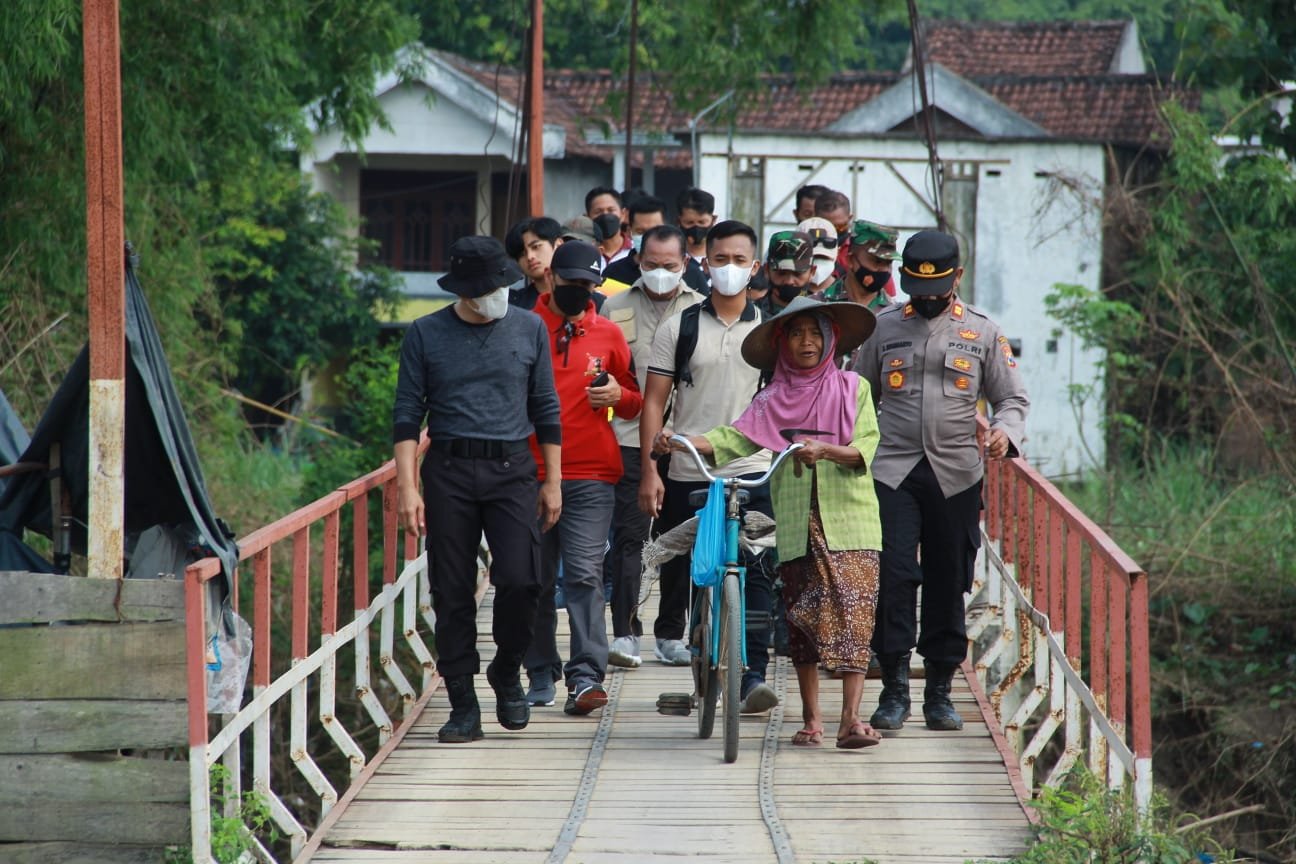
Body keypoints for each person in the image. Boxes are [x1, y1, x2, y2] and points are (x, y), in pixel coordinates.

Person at [663, 296, 884, 748]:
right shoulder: (771, 398)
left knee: (854, 613)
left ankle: (850, 719)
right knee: (801, 618)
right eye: (797, 334)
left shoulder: (853, 387)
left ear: (831, 340)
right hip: (796, 520)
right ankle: (811, 720)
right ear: (783, 344)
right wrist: (683, 441)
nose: (806, 342)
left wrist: (824, 450)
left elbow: (866, 445)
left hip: (854, 519)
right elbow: (733, 437)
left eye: (815, 334)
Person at [852, 230, 1030, 731]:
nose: (925, 297)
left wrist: (1004, 433)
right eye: (915, 286)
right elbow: (857, 397)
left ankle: (939, 692)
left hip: (955, 472)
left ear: (957, 277)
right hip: (892, 469)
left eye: (935, 287)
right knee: (892, 577)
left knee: (949, 578)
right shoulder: (881, 328)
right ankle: (892, 689)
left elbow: (1012, 399)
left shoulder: (982, 332)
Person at [393, 235, 562, 744]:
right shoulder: (425, 334)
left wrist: (552, 480)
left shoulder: (529, 328)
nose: (499, 295)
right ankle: (462, 701)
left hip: (513, 469)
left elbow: (546, 410)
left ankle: (507, 669)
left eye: (503, 285)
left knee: (521, 579)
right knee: (451, 588)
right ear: (465, 291)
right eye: (488, 289)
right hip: (449, 470)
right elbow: (406, 416)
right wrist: (407, 487)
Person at [639, 219, 779, 714]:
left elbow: (784, 400)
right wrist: (650, 467)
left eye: (740, 260)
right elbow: (654, 402)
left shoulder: (771, 331)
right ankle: (698, 648)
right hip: (688, 468)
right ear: (704, 263)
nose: (730, 269)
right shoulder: (680, 326)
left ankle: (752, 676)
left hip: (754, 467)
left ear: (755, 267)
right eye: (720, 259)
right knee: (692, 571)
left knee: (758, 570)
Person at [524, 240, 643, 716]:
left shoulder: (609, 333)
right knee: (531, 578)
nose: (581, 293)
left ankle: (586, 676)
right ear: (551, 278)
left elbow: (633, 398)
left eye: (589, 286)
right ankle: (539, 669)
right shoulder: (524, 328)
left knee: (584, 573)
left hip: (593, 472)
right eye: (572, 284)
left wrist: (618, 394)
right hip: (530, 473)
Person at [600, 226, 703, 668]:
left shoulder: (700, 310)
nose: (660, 273)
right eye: (651, 265)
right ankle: (624, 631)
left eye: (670, 266)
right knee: (629, 537)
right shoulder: (614, 306)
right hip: (626, 437)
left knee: (678, 539)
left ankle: (670, 634)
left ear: (684, 264)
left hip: (683, 441)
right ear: (638, 261)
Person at [606, 196, 710, 294]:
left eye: (654, 230)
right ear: (629, 231)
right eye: (641, 231)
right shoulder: (613, 274)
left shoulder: (691, 273)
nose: (648, 237)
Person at [816, 220, 900, 310]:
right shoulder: (818, 305)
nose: (884, 270)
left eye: (889, 263)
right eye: (877, 261)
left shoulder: (894, 314)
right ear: (850, 260)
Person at [505, 216, 564, 310]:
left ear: (558, 245)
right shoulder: (514, 305)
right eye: (522, 254)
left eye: (536, 247)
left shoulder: (585, 295)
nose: (529, 257)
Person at [755, 230, 815, 318]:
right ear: (766, 270)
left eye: (797, 274)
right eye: (781, 273)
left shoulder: (824, 313)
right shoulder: (754, 315)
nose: (789, 281)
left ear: (812, 272)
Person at [585, 186, 631, 266]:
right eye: (598, 211)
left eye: (611, 210)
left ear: (623, 214)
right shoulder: (583, 252)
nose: (605, 215)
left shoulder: (636, 252)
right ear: (588, 218)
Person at [798, 216, 841, 295]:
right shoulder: (788, 294)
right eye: (812, 258)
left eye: (824, 257)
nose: (817, 267)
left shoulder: (848, 293)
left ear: (836, 253)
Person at [676, 187, 716, 265]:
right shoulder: (673, 257)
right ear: (679, 221)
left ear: (713, 220)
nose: (696, 228)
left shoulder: (721, 256)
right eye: (689, 222)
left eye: (702, 222)